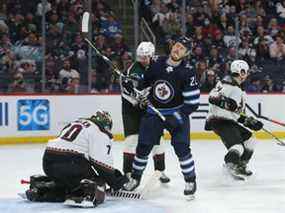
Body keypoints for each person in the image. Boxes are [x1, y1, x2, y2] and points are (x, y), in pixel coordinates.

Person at [124, 36, 200, 199]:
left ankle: (190, 180)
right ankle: (136, 178)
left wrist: (177, 118)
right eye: (176, 46)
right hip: (154, 112)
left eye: (182, 49)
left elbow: (192, 103)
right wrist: (134, 85)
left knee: (182, 148)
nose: (177, 49)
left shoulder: (189, 72)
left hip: (176, 113)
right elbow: (145, 83)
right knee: (143, 147)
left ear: (186, 53)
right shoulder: (157, 62)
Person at [24, 111, 128, 207]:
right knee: (97, 182)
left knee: (68, 183)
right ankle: (84, 195)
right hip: (70, 163)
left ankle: (41, 189)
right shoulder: (100, 131)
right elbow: (102, 165)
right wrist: (115, 182)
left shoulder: (76, 123)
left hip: (48, 162)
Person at [204, 60, 264, 180]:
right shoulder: (226, 83)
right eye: (245, 72)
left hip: (228, 120)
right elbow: (212, 97)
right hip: (219, 120)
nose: (246, 74)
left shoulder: (237, 89)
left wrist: (249, 122)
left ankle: (240, 165)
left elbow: (235, 113)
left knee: (250, 140)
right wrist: (228, 104)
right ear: (241, 71)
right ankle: (230, 166)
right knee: (238, 146)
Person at [120, 41, 170, 183]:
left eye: (145, 57)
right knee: (132, 140)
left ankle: (160, 171)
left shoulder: (159, 68)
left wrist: (150, 98)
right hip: (131, 110)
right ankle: (128, 174)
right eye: (140, 57)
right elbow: (125, 93)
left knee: (158, 140)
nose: (142, 60)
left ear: (152, 56)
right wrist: (132, 93)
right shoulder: (131, 71)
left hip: (150, 109)